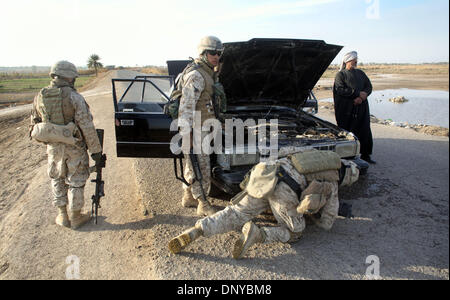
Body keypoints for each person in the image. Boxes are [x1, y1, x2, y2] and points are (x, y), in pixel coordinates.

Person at [168, 149, 360, 259]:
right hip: (284, 190)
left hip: (266, 175)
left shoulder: (316, 156)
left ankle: (197, 230)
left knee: (235, 213)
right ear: (346, 178)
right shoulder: (333, 182)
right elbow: (327, 223)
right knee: (295, 231)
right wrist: (313, 212)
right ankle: (258, 234)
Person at [30, 60, 103, 229]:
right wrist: (96, 151)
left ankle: (62, 215)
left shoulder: (40, 96)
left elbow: (35, 122)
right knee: (76, 180)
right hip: (74, 147)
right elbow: (86, 126)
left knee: (57, 178)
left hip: (54, 148)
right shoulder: (74, 97)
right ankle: (76, 217)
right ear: (69, 77)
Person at [177, 36, 224, 216]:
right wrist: (186, 135)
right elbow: (186, 107)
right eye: (212, 52)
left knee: (192, 164)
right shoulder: (196, 75)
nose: (216, 56)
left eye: (219, 53)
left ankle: (188, 196)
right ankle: (203, 203)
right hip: (196, 129)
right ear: (203, 53)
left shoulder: (208, 72)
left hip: (202, 127)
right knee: (201, 167)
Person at [333, 51, 376, 164]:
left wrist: (362, 97)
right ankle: (347, 156)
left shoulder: (361, 73)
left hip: (362, 107)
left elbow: (368, 86)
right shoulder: (340, 75)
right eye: (354, 60)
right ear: (348, 61)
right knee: (348, 131)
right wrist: (356, 94)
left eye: (356, 60)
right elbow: (340, 90)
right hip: (347, 109)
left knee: (365, 130)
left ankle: (366, 155)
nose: (356, 62)